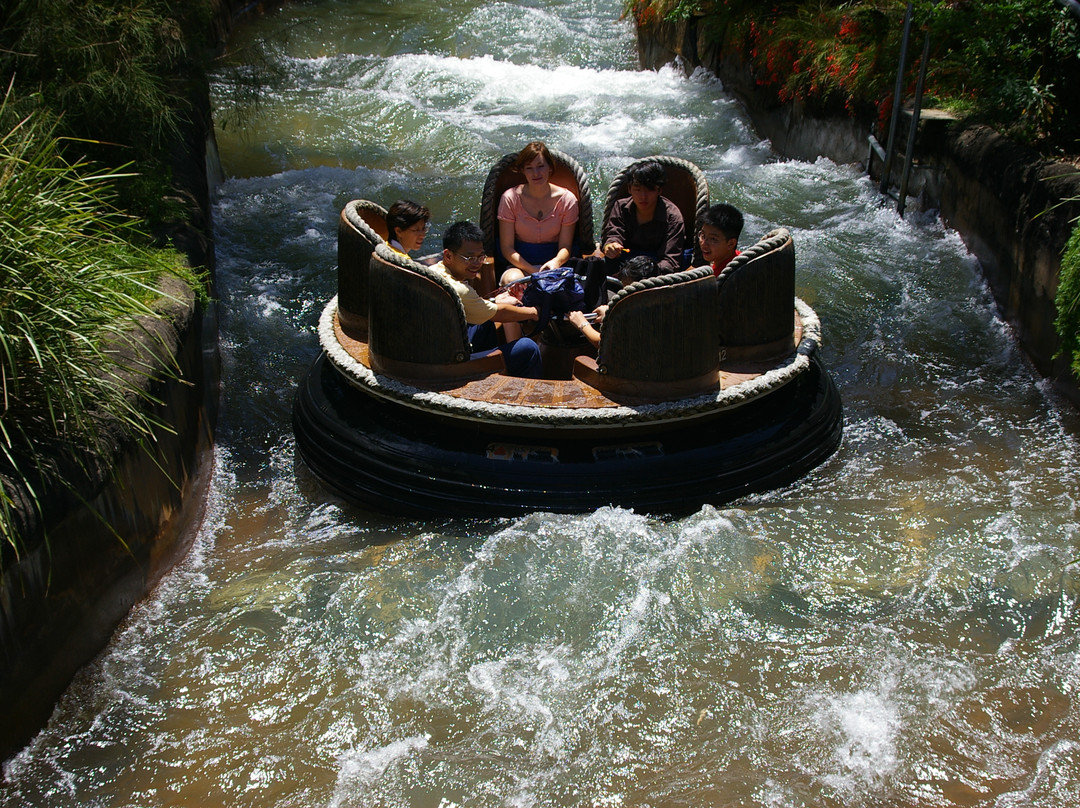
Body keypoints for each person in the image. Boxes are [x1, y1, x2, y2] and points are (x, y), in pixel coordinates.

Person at [430, 221, 543, 379]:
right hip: (453, 365)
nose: (476, 264)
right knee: (528, 347)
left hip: (438, 349)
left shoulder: (433, 270)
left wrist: (494, 301)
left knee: (486, 322)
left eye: (480, 256)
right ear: (448, 255)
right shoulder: (460, 288)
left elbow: (479, 307)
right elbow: (499, 314)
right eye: (469, 258)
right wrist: (534, 312)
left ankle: (494, 371)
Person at [497, 141, 579, 286]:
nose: (536, 173)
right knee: (513, 281)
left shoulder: (567, 200)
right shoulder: (510, 198)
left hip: (555, 265)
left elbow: (565, 246)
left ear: (549, 168)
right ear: (523, 171)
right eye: (529, 168)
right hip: (519, 266)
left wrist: (555, 263)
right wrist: (532, 270)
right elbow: (507, 248)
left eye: (541, 166)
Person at [601, 160, 686, 275]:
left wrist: (643, 273)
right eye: (637, 189)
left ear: (659, 190)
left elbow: (670, 261)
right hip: (627, 261)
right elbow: (613, 234)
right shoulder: (620, 207)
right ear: (629, 189)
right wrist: (611, 246)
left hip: (655, 269)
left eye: (649, 190)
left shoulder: (673, 217)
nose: (643, 196)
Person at [567, 255, 658, 348]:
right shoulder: (660, 302)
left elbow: (604, 343)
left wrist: (582, 324)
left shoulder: (639, 314)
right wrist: (610, 314)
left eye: (630, 290)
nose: (625, 293)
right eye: (624, 288)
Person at [698, 203, 743, 276]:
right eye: (703, 235)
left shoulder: (722, 277)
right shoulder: (738, 256)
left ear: (731, 244)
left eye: (713, 239)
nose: (704, 244)